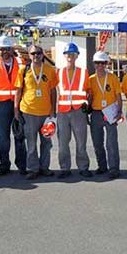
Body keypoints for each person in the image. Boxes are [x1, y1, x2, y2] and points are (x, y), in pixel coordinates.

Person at [14, 44, 58, 179]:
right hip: (28, 112)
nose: (36, 56)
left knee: (46, 143)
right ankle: (32, 169)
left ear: (42, 54)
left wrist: (53, 110)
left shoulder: (50, 70)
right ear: (29, 55)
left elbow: (53, 91)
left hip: (45, 113)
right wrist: (16, 110)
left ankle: (44, 167)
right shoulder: (24, 70)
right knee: (31, 143)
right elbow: (18, 91)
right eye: (33, 54)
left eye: (38, 53)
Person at [0, 35, 25, 175]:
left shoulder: (22, 63)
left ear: (11, 49)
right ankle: (4, 165)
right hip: (1, 105)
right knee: (3, 137)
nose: (5, 51)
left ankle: (22, 165)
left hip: (18, 104)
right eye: (2, 49)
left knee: (19, 135)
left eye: (7, 49)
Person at [56, 43, 91, 178]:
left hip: (78, 111)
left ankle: (83, 167)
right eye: (68, 54)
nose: (70, 56)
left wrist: (87, 105)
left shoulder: (83, 72)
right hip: (63, 111)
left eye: (73, 54)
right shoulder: (58, 72)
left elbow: (89, 91)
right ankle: (64, 168)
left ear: (77, 56)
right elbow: (55, 91)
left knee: (81, 141)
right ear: (65, 56)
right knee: (63, 142)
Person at [88, 51, 123, 179]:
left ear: (106, 64)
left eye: (103, 63)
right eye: (98, 63)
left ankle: (114, 169)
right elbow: (90, 96)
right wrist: (87, 110)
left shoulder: (113, 77)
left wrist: (119, 111)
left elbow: (118, 96)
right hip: (96, 112)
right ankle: (102, 166)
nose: (100, 66)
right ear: (94, 64)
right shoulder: (91, 79)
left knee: (111, 142)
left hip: (110, 112)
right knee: (97, 142)